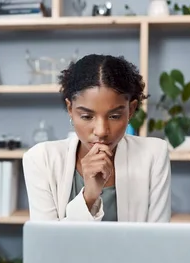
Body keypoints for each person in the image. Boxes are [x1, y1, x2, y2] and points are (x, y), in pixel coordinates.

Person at [22, 54, 171, 222]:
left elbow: (158, 240)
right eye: (87, 116)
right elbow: (46, 243)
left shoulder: (154, 154)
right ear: (70, 109)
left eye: (114, 116)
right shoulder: (41, 159)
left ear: (131, 109)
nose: (101, 131)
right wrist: (89, 195)